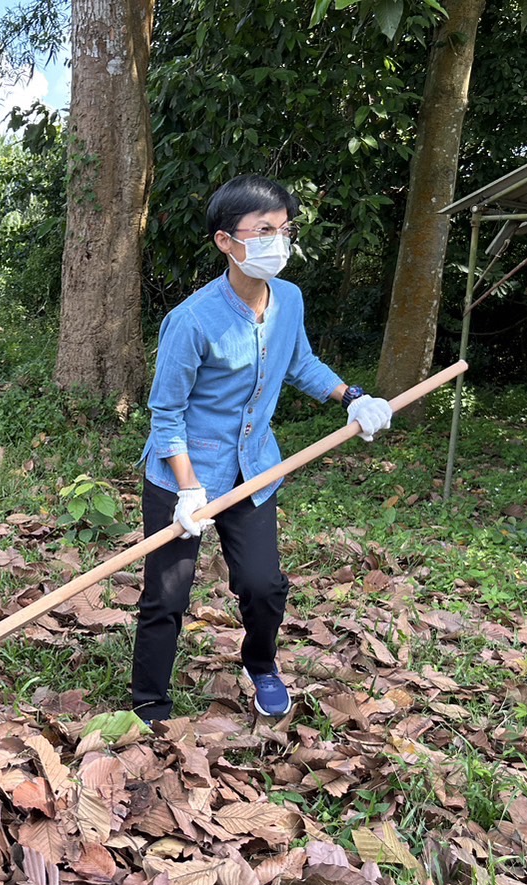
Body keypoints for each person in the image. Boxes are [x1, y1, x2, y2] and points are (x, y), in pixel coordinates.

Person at [131, 173, 393, 724]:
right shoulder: (191, 321)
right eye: (264, 230)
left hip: (255, 470)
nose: (279, 242)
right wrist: (186, 488)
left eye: (285, 229)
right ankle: (151, 698)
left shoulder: (289, 300)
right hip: (185, 477)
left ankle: (261, 664)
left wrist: (353, 397)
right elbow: (166, 414)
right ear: (227, 241)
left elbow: (297, 362)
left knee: (262, 584)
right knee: (167, 595)